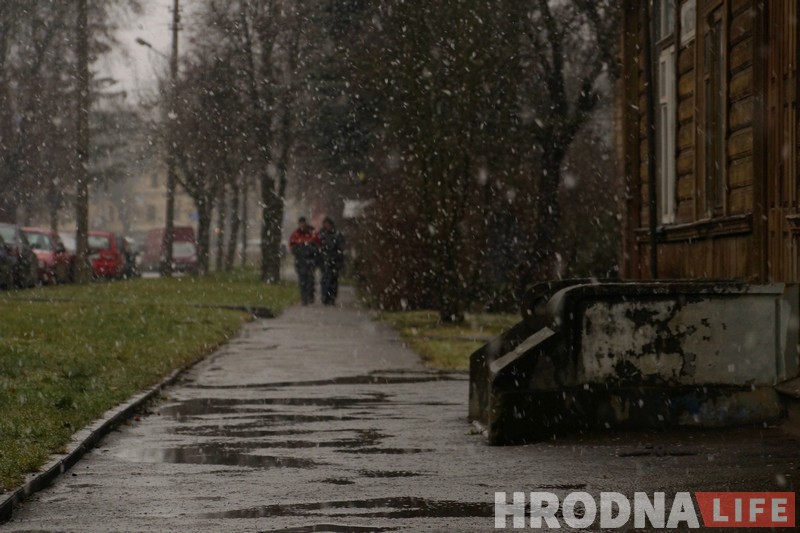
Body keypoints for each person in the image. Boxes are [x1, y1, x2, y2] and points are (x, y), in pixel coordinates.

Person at [289, 217, 320, 305]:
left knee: (310, 280)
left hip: (310, 260)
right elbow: (292, 248)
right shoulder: (295, 234)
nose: (302, 225)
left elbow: (318, 246)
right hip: (300, 261)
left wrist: (309, 249)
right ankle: (304, 297)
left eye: (303, 223)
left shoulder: (312, 233)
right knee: (302, 280)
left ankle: (310, 295)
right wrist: (300, 248)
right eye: (300, 223)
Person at [318, 217, 345, 305]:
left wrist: (339, 260)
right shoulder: (321, 235)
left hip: (334, 260)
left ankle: (332, 297)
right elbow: (318, 247)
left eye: (328, 225)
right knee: (325, 279)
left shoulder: (337, 235)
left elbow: (341, 248)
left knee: (333, 280)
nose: (327, 227)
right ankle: (325, 297)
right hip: (325, 261)